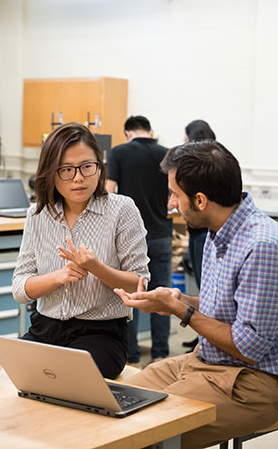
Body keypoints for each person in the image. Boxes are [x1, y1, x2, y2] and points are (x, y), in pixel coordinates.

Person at [114, 140, 278, 449]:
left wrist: (182, 312)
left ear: (200, 200)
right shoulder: (217, 232)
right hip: (204, 361)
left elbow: (249, 346)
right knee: (111, 404)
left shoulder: (261, 245)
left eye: (175, 194)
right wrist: (180, 300)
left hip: (252, 382)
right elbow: (229, 308)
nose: (171, 203)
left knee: (141, 432)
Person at [12, 122, 150, 380]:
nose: (78, 178)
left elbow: (138, 285)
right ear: (50, 172)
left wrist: (96, 268)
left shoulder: (121, 210)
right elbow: (20, 288)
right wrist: (57, 277)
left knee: (66, 380)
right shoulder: (38, 214)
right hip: (44, 328)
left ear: (99, 166)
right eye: (66, 169)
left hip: (100, 335)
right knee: (17, 376)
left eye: (87, 167)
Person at [106, 115, 172, 367]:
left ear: (128, 133)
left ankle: (131, 356)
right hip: (161, 234)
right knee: (163, 294)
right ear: (149, 131)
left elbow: (108, 192)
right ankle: (160, 354)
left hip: (130, 238)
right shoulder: (167, 154)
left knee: (130, 295)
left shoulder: (119, 152)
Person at [183, 119, 216, 351]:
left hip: (202, 232)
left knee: (206, 284)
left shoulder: (204, 163)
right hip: (198, 232)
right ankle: (201, 335)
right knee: (203, 284)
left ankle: (206, 334)